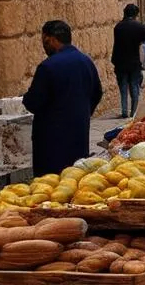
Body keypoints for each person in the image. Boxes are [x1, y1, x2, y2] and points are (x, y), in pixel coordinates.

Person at [22, 20, 102, 176]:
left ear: (51, 39)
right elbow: (97, 92)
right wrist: (83, 113)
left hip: (51, 139)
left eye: (44, 41)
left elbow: (33, 102)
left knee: (50, 184)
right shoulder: (86, 61)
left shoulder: (48, 67)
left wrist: (25, 98)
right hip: (79, 133)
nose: (44, 46)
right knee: (77, 177)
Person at [111, 4, 145, 118]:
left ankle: (124, 111)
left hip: (120, 60)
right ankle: (133, 112)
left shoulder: (118, 26)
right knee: (134, 86)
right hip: (134, 61)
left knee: (123, 87)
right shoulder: (139, 27)